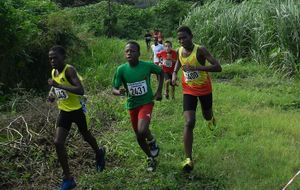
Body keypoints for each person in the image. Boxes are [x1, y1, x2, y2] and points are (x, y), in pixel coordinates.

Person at [47, 45, 105, 190]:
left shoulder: (69, 70)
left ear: (63, 57)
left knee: (86, 135)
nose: (53, 61)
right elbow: (56, 87)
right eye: (50, 58)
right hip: (64, 112)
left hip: (77, 110)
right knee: (58, 142)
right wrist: (52, 95)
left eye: (55, 58)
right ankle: (68, 179)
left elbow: (80, 90)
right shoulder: (54, 71)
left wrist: (58, 85)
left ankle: (99, 153)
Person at [171, 26, 222, 172]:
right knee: (189, 122)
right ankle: (188, 159)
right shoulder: (179, 50)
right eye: (179, 38)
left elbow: (218, 67)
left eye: (184, 37)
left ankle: (211, 118)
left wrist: (197, 68)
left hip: (204, 89)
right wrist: (174, 74)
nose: (181, 40)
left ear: (191, 36)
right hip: (188, 90)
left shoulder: (200, 50)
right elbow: (179, 62)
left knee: (206, 115)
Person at [112, 41, 164, 172]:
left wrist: (158, 91)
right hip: (132, 105)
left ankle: (151, 140)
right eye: (127, 51)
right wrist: (119, 92)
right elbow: (114, 88)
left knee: (142, 130)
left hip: (146, 103)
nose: (129, 53)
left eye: (132, 51)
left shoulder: (146, 66)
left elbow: (161, 72)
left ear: (139, 53)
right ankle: (150, 158)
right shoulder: (121, 70)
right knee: (139, 136)